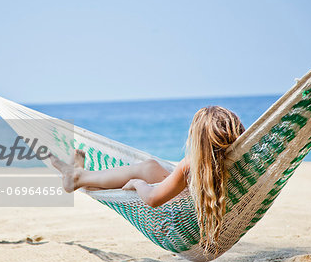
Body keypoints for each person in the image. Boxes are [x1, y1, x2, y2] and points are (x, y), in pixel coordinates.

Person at [50, 105, 245, 250]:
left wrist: (137, 183)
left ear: (198, 138)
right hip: (204, 220)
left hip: (178, 227)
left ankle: (78, 177)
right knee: (152, 168)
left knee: (148, 168)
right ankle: (80, 176)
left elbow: (152, 199)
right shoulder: (244, 157)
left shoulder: (190, 165)